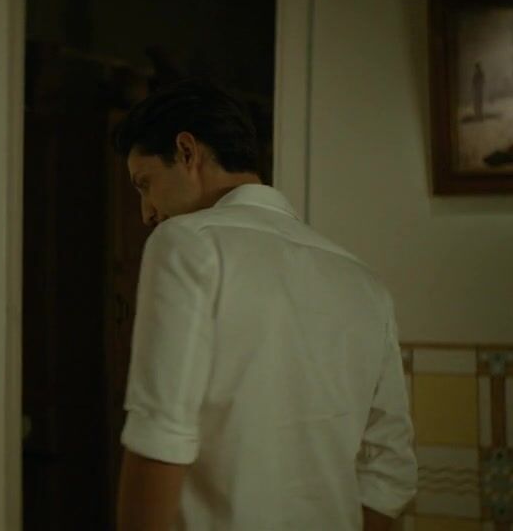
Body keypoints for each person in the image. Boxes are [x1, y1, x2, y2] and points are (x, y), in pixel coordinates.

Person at [110, 79, 417, 530]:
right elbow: (389, 470)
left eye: (145, 184)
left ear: (187, 152)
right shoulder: (364, 282)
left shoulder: (186, 242)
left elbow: (160, 435)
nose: (146, 212)